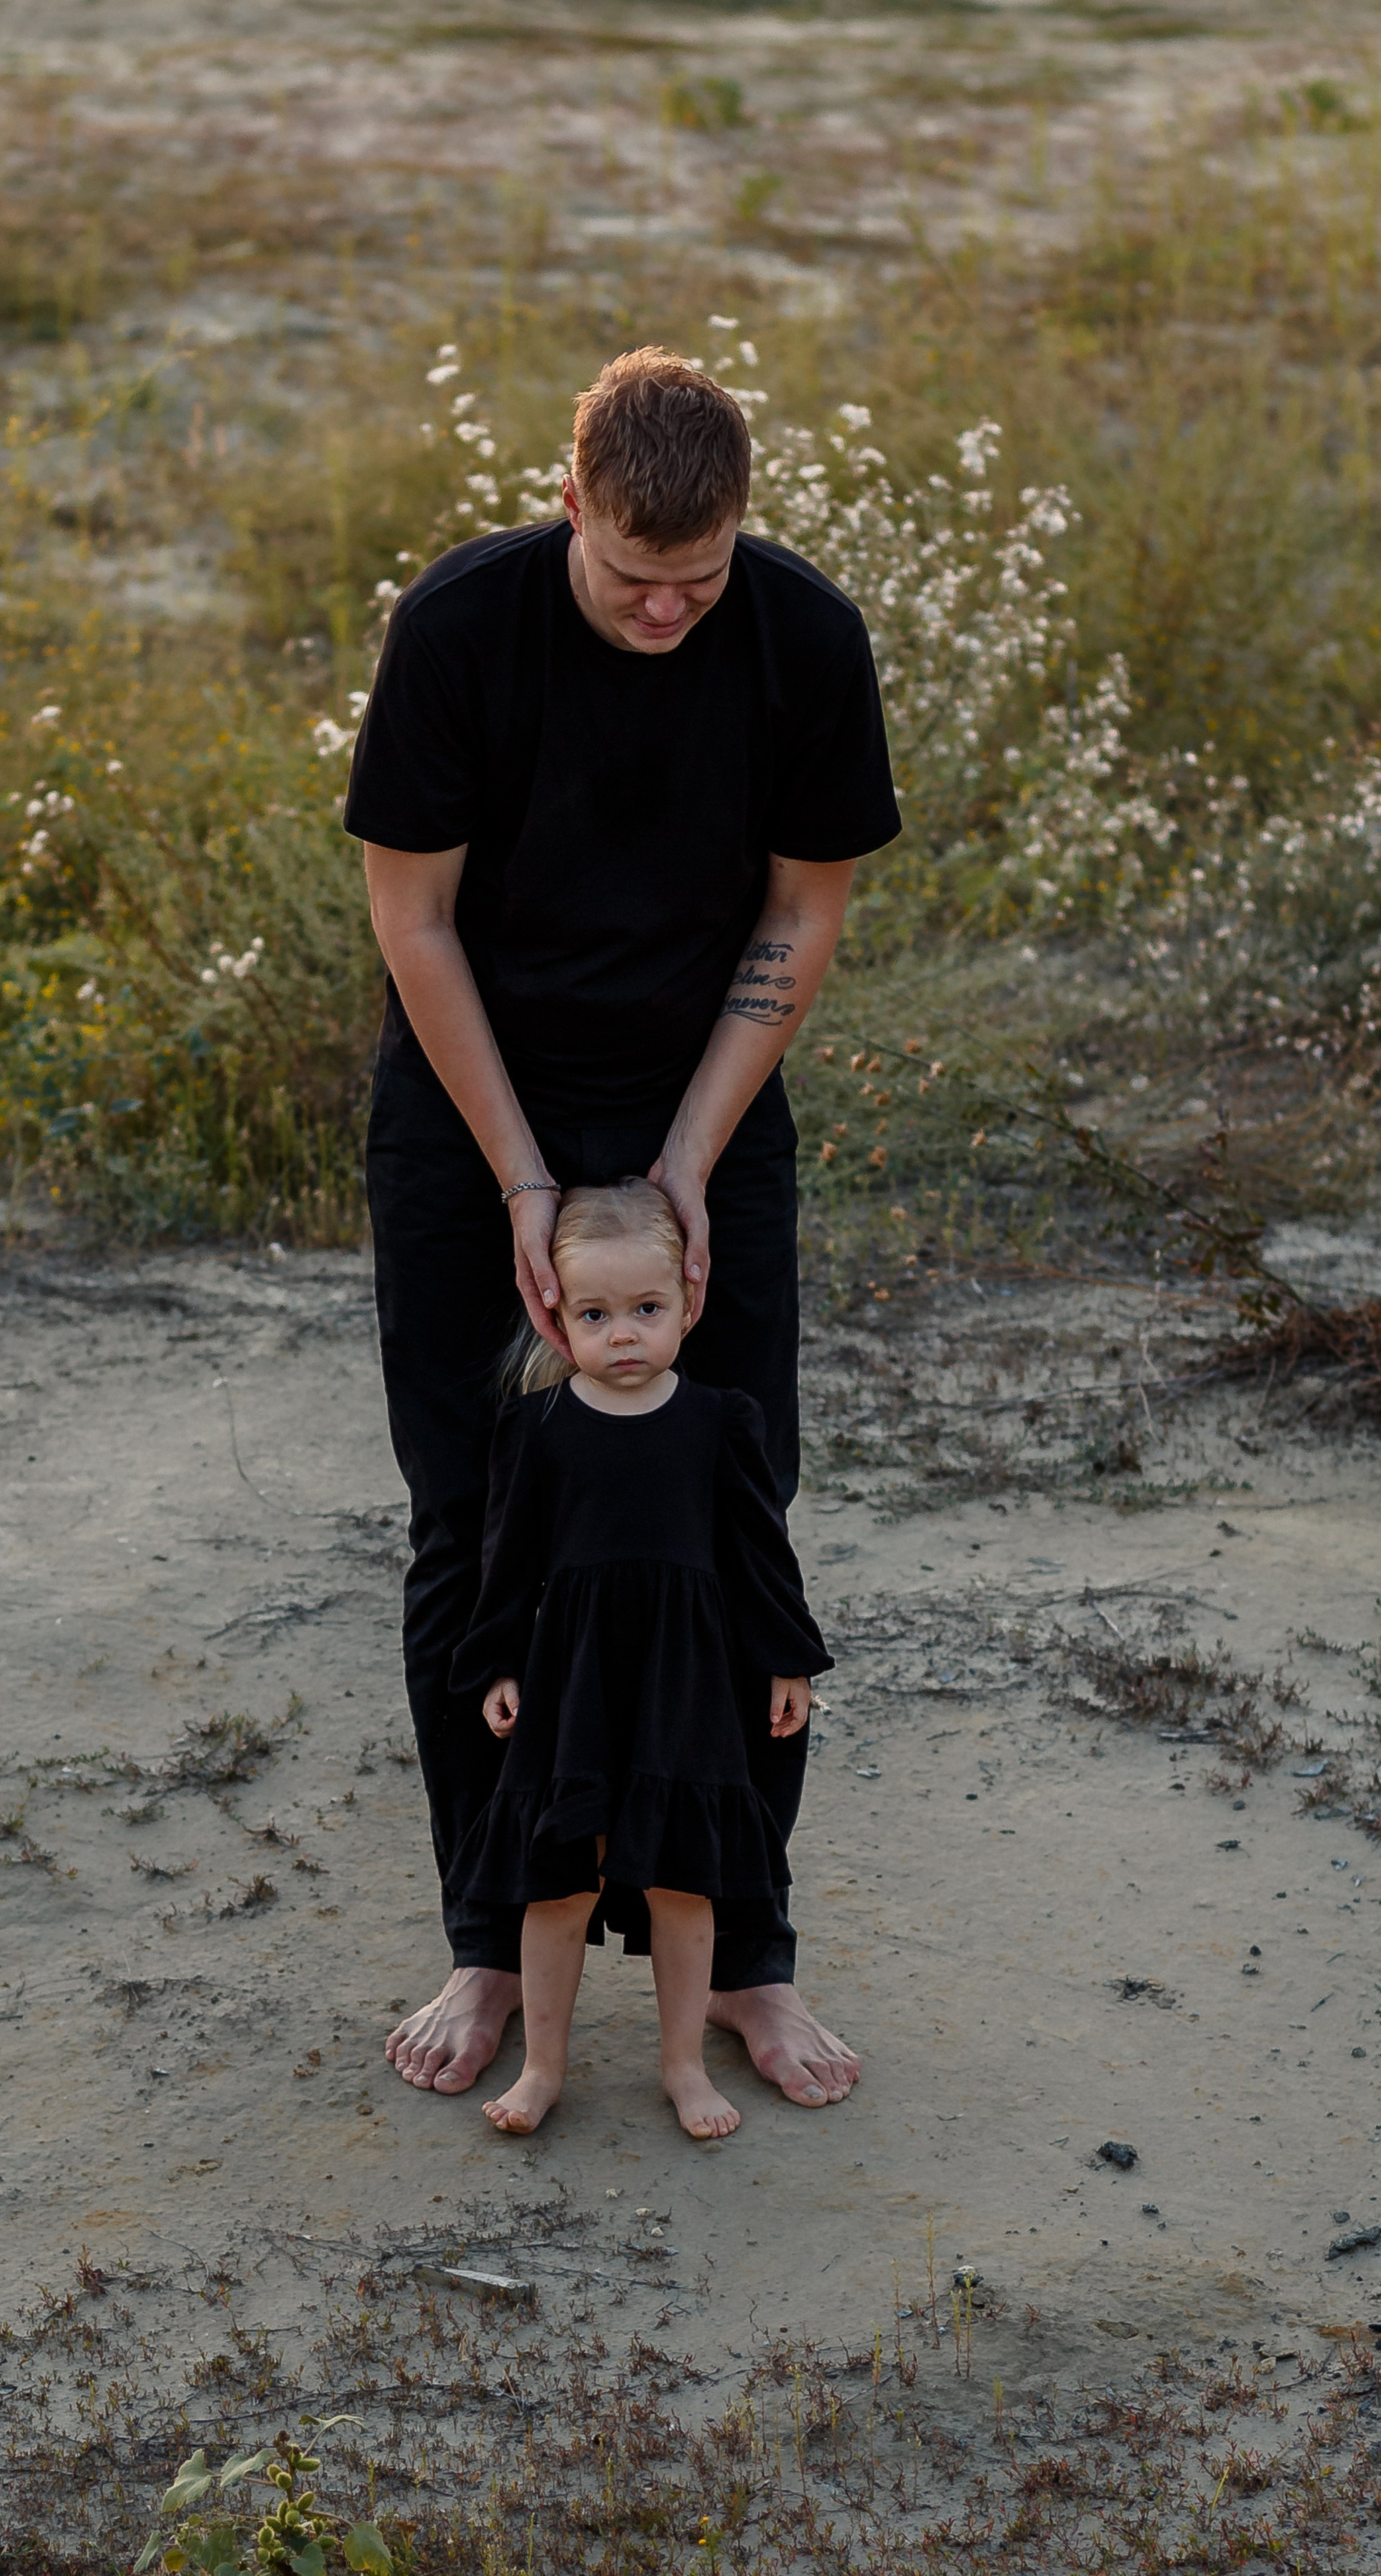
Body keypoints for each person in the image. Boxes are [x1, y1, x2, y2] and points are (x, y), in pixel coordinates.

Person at [348, 343, 900, 2106]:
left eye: (702, 579)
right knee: (472, 1522)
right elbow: (414, 924)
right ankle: (487, 1940)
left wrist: (685, 1163)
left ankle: (743, 1961)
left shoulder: (803, 639)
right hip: (471, 1112)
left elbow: (802, 914)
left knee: (730, 1512)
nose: (669, 612)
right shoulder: (460, 629)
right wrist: (525, 1179)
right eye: (634, 578)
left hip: (702, 1111)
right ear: (569, 502)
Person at [448, 1180, 830, 2139]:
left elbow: (759, 1554)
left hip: (685, 1681)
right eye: (594, 1314)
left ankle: (682, 2067)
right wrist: (497, 1664)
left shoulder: (719, 1421)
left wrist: (787, 1659)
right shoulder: (536, 1428)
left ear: (690, 1303)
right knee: (558, 1881)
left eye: (646, 1309)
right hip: (573, 1682)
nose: (622, 1334)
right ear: (557, 1314)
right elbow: (505, 1562)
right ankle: (542, 2069)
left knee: (682, 1883)